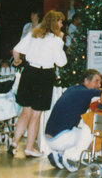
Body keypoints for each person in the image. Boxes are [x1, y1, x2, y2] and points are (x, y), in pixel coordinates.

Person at [11, 10, 66, 158]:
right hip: (44, 75)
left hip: (29, 72)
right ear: (55, 23)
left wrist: (17, 62)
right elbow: (62, 62)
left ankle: (15, 142)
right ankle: (29, 148)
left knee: (25, 111)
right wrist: (61, 41)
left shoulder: (33, 34)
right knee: (36, 115)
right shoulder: (55, 40)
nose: (62, 25)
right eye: (60, 22)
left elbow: (16, 51)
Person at [44, 69, 102, 171]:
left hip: (50, 138)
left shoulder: (73, 89)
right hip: (60, 138)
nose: (99, 85)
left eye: (100, 82)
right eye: (96, 81)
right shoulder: (85, 92)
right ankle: (72, 158)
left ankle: (59, 154)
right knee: (89, 130)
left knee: (78, 129)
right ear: (86, 81)